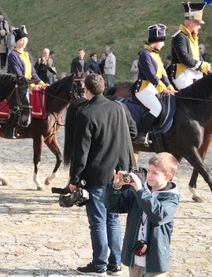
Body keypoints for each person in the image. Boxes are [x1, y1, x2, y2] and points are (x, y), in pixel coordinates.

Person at [68, 73, 136, 276]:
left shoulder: (86, 113)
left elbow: (81, 151)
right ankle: (115, 263)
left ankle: (99, 264)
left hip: (97, 175)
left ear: (86, 90)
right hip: (119, 172)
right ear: (104, 87)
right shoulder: (119, 107)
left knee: (98, 221)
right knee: (113, 219)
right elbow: (132, 133)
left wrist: (74, 179)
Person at [106, 153, 180, 277]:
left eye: (155, 173)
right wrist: (115, 187)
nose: (149, 176)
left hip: (155, 256)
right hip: (135, 254)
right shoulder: (139, 191)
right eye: (149, 171)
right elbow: (114, 206)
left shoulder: (171, 198)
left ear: (167, 177)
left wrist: (140, 191)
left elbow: (159, 215)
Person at [131, 24, 177, 145]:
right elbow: (151, 75)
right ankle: (141, 134)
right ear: (156, 41)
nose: (163, 44)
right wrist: (163, 90)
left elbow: (163, 75)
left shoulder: (155, 55)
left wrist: (171, 89)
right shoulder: (144, 54)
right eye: (162, 41)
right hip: (143, 88)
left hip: (153, 88)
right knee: (157, 108)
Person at [171, 2, 212, 90]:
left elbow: (197, 56)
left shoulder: (192, 37)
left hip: (193, 73)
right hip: (182, 75)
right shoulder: (179, 36)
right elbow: (184, 58)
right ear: (191, 21)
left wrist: (207, 67)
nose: (199, 27)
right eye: (198, 23)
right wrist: (203, 66)